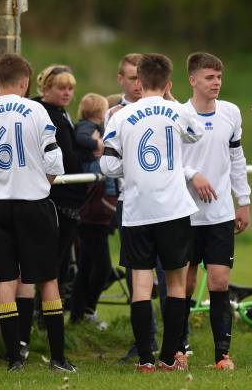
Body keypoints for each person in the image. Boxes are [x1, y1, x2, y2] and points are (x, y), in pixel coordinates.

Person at [0, 53, 76, 372]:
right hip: (34, 203)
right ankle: (58, 358)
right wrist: (39, 182)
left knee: (5, 280)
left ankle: (14, 359)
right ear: (26, 82)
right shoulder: (37, 110)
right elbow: (54, 161)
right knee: (49, 279)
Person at [100, 53, 204, 372]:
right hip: (173, 209)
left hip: (137, 211)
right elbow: (196, 132)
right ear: (169, 83)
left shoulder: (120, 116)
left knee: (141, 286)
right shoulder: (178, 110)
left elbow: (107, 165)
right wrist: (171, 100)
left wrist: (129, 166)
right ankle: (169, 357)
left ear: (139, 82)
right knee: (175, 284)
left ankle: (145, 359)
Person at [177, 52, 251, 370]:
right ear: (193, 80)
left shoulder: (231, 113)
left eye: (219, 77)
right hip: (185, 213)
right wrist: (193, 173)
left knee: (219, 281)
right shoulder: (177, 115)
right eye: (209, 77)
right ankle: (179, 350)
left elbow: (237, 159)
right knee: (185, 283)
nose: (216, 82)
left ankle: (223, 356)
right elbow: (170, 161)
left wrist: (243, 201)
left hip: (220, 214)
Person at [106, 53, 169, 361]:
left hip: (166, 203)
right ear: (123, 79)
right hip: (129, 202)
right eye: (131, 79)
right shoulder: (114, 113)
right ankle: (144, 342)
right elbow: (109, 163)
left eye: (138, 78)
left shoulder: (170, 110)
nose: (136, 84)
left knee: (169, 274)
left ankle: (176, 342)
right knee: (137, 277)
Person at [34, 65, 84, 302]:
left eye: (70, 88)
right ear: (46, 88)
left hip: (70, 196)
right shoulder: (47, 114)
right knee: (52, 261)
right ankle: (43, 315)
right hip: (59, 197)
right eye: (61, 88)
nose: (67, 93)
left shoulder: (61, 113)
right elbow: (64, 155)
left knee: (62, 261)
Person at [69, 93, 117, 327]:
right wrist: (100, 144)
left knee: (86, 266)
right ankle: (88, 310)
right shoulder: (88, 128)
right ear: (100, 113)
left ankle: (78, 316)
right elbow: (83, 138)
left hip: (94, 212)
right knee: (103, 267)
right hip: (94, 212)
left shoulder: (89, 127)